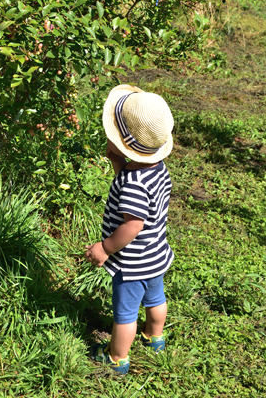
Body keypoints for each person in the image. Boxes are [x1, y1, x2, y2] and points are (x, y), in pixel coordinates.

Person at [84, 84, 175, 375]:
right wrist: (118, 162)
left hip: (131, 263)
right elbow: (139, 195)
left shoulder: (133, 183)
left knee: (124, 315)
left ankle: (117, 357)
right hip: (155, 255)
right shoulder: (156, 169)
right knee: (156, 298)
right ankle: (155, 337)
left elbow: (133, 224)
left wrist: (106, 248)